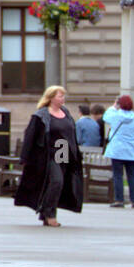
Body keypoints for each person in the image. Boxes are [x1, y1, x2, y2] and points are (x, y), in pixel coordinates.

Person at [13, 85, 83, 227]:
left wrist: (75, 153)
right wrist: (24, 157)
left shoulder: (66, 113)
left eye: (63, 96)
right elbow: (30, 136)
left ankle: (47, 213)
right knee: (56, 181)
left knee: (61, 183)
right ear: (51, 98)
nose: (63, 98)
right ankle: (50, 215)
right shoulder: (41, 115)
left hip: (63, 151)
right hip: (47, 153)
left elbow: (71, 134)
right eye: (60, 96)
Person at [102, 95, 134, 208]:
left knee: (118, 175)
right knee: (132, 175)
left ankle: (119, 200)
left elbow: (105, 117)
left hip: (117, 150)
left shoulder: (115, 116)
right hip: (131, 150)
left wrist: (113, 106)